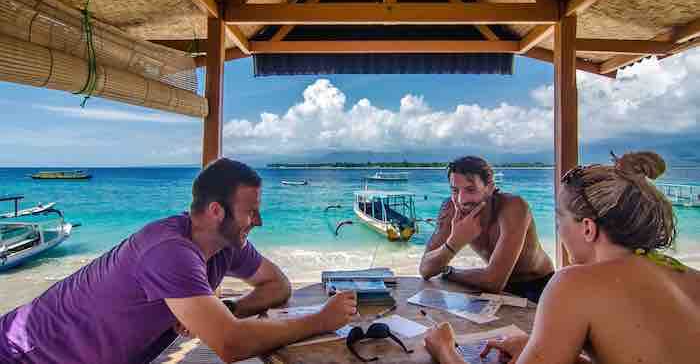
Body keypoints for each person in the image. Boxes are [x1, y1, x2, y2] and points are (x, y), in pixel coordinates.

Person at [0, 158, 356, 364]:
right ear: (217, 211)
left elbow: (278, 284)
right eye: (251, 212)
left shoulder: (226, 243)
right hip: (27, 354)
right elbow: (230, 345)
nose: (259, 222)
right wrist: (321, 320)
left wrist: (227, 309)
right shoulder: (169, 250)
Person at [424, 151, 700, 364]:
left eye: (559, 221)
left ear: (588, 228)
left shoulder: (574, 283)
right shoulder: (688, 276)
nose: (557, 230)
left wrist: (446, 351)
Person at [419, 156, 554, 302]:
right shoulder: (451, 209)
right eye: (455, 190)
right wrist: (454, 243)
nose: (461, 200)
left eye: (470, 190)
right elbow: (425, 270)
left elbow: (493, 282)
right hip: (496, 287)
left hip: (538, 284)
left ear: (489, 188)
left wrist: (449, 272)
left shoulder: (513, 207)